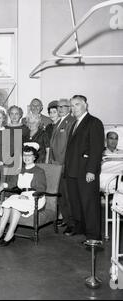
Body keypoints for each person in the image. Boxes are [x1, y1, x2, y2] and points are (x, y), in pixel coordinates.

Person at [64, 95, 104, 242]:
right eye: (72, 106)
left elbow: (96, 149)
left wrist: (91, 171)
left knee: (89, 204)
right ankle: (81, 228)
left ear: (85, 105)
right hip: (73, 171)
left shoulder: (94, 122)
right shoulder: (75, 123)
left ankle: (93, 237)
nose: (74, 108)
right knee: (76, 203)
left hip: (86, 171)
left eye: (77, 104)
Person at [0, 143, 46, 246]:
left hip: (35, 197)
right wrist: (2, 186)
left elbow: (42, 189)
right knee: (7, 204)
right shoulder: (20, 170)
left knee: (15, 206)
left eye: (29, 155)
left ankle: (9, 234)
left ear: (34, 157)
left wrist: (28, 196)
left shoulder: (39, 171)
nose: (26, 158)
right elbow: (12, 183)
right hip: (22, 196)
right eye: (25, 155)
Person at [49, 98, 76, 229]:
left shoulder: (71, 121)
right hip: (56, 166)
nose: (60, 109)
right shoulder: (59, 121)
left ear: (69, 108)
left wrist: (65, 164)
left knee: (68, 196)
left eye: (63, 106)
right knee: (61, 196)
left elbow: (70, 146)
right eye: (58, 107)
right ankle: (66, 219)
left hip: (64, 166)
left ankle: (72, 224)